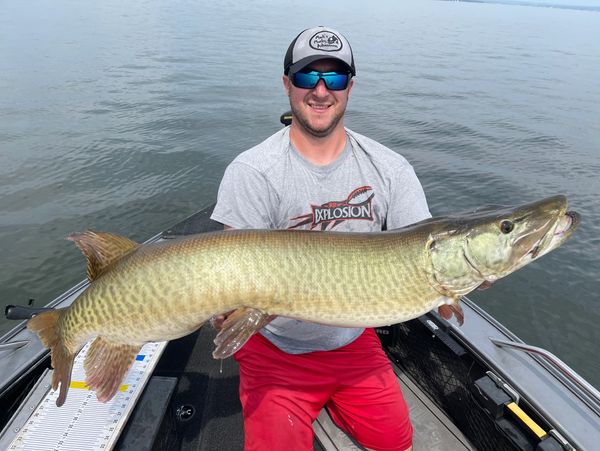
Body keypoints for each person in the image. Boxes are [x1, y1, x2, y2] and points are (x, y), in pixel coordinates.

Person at [211, 26, 454, 451]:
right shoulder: (252, 171)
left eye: (335, 78)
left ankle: (333, 398)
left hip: (350, 337)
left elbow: (425, 249)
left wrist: (456, 282)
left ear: (350, 88)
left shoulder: (390, 168)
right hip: (276, 347)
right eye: (308, 77)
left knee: (396, 441)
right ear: (287, 84)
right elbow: (237, 274)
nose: (321, 90)